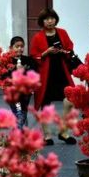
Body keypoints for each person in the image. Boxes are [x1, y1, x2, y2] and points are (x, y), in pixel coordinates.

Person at [30, 8, 77, 145]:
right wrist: (46, 52)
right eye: (46, 19)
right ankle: (47, 135)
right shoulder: (38, 37)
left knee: (70, 100)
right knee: (45, 104)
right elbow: (34, 55)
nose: (49, 21)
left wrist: (63, 51)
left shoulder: (62, 32)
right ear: (42, 21)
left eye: (52, 18)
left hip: (62, 71)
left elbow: (70, 48)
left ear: (55, 19)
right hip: (46, 74)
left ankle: (63, 131)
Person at [6, 36, 37, 130]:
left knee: (22, 112)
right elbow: (3, 76)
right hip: (13, 94)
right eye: (17, 46)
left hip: (25, 94)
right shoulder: (6, 61)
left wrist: (23, 72)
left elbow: (34, 74)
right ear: (11, 48)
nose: (20, 48)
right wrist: (15, 71)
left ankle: (19, 130)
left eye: (22, 46)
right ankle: (17, 133)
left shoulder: (29, 60)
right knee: (19, 113)